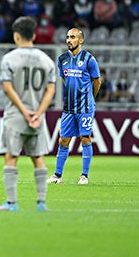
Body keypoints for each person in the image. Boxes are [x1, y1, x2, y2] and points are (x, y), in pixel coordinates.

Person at [0, 16, 56, 212]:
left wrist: (24, 111)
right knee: (38, 158)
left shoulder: (9, 59)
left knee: (11, 156)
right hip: (37, 117)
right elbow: (51, 89)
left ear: (16, 36)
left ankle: (12, 203)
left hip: (16, 116)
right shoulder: (46, 60)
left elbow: (7, 87)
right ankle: (41, 203)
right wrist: (38, 112)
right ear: (35, 35)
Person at [48, 27, 101, 185]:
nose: (69, 40)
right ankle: (57, 176)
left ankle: (84, 176)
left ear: (81, 40)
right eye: (67, 37)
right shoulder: (62, 59)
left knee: (85, 138)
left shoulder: (89, 59)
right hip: (69, 107)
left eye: (72, 37)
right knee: (63, 140)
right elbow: (65, 79)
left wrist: (90, 98)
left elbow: (97, 81)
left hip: (85, 107)